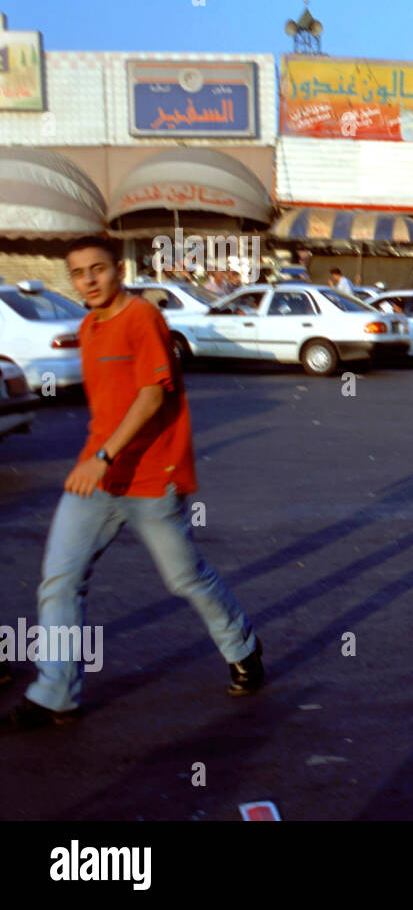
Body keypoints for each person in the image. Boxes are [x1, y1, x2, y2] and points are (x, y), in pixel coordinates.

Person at [2, 236, 264, 733]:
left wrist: (103, 457)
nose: (90, 280)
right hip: (97, 477)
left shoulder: (142, 318)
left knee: (183, 578)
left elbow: (149, 397)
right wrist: (96, 459)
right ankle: (55, 694)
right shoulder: (88, 326)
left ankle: (243, 647)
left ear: (118, 270)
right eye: (79, 273)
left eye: (98, 269)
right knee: (59, 579)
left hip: (148, 477)